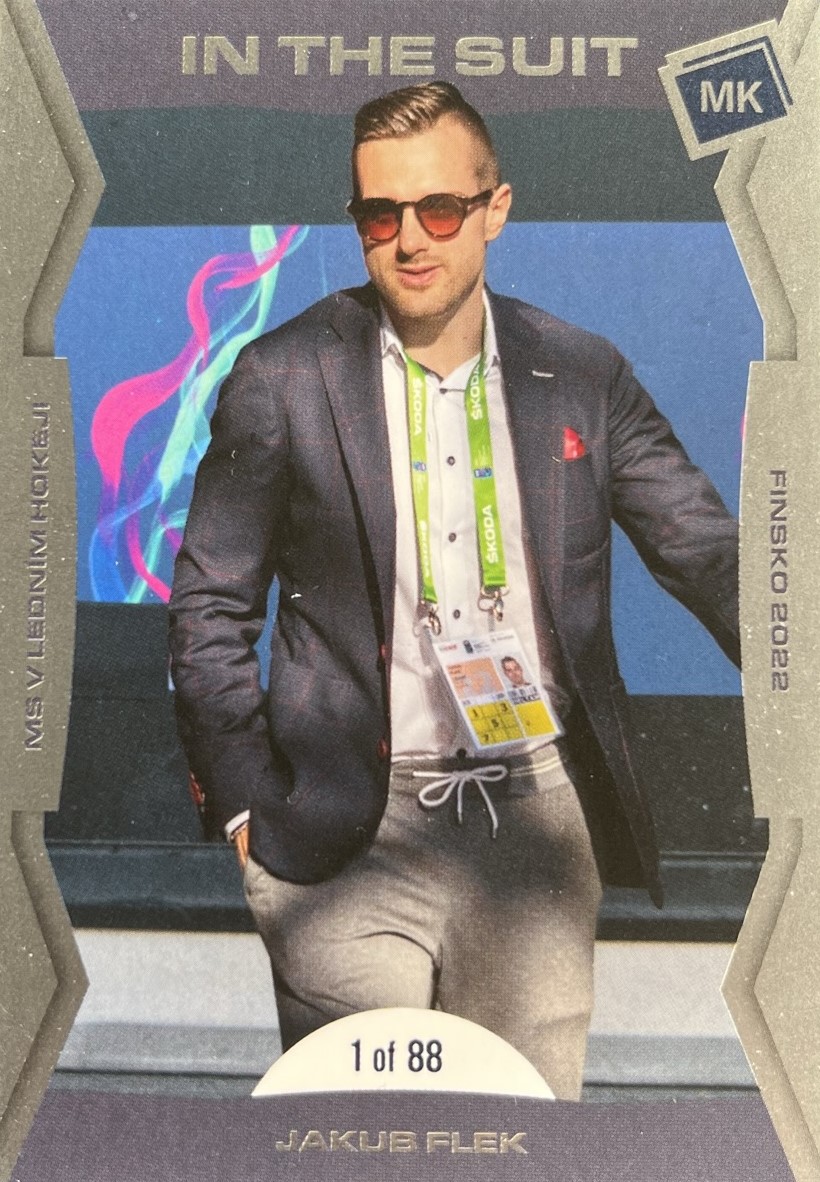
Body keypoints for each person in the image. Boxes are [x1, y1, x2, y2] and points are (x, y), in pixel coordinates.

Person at [168, 81, 739, 1100]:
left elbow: (706, 553)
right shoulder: (282, 376)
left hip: (533, 835)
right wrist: (247, 808)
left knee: (517, 1134)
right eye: (379, 215)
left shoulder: (581, 374)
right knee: (366, 1137)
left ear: (495, 209)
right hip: (347, 837)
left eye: (438, 210)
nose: (408, 241)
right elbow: (209, 605)